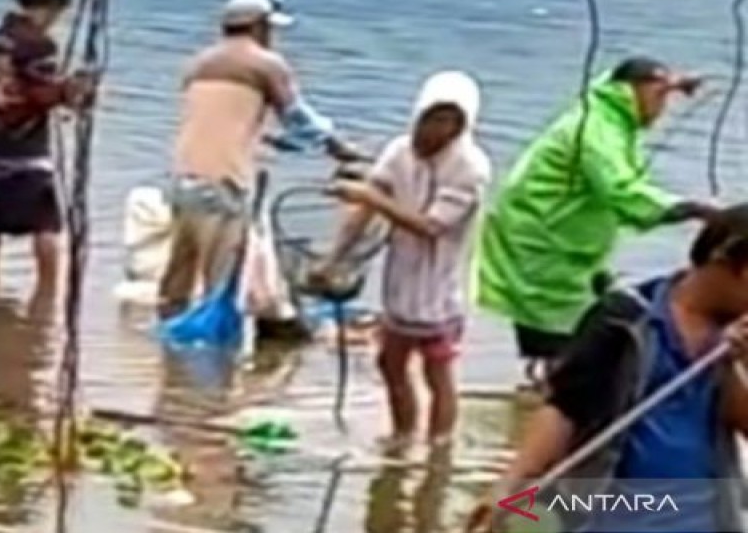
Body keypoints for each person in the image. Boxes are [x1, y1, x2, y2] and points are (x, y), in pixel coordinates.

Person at [466, 204, 748, 533]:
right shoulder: (625, 319)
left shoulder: (737, 339)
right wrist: (509, 485)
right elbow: (565, 408)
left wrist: (733, 363)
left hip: (705, 516)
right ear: (722, 264)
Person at [476, 56, 717, 383]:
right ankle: (549, 400)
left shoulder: (611, 113)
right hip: (544, 242)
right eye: (659, 97)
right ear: (631, 93)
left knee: (581, 330)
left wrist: (676, 83)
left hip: (568, 243)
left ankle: (544, 390)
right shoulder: (596, 130)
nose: (662, 109)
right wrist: (692, 209)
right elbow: (621, 192)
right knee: (564, 341)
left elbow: (637, 82)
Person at [156, 0, 362, 319]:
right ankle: (214, 363)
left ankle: (167, 354)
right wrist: (337, 146)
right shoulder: (264, 64)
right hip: (224, 183)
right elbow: (298, 117)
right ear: (258, 27)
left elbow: (219, 121)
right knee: (221, 284)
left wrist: (271, 142)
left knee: (177, 278)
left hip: (183, 181)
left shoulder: (198, 64)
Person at [321, 71, 492, 447]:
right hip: (401, 284)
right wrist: (335, 257)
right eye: (433, 117)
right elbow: (366, 207)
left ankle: (439, 443)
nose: (438, 128)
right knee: (390, 363)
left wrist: (370, 198)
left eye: (449, 121)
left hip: (441, 290)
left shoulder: (470, 168)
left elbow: (431, 226)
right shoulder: (399, 152)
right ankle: (402, 435)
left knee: (438, 371)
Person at [0, 0, 93, 299]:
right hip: (26, 144)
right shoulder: (39, 45)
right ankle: (48, 296)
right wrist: (74, 91)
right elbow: (41, 95)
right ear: (51, 6)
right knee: (46, 226)